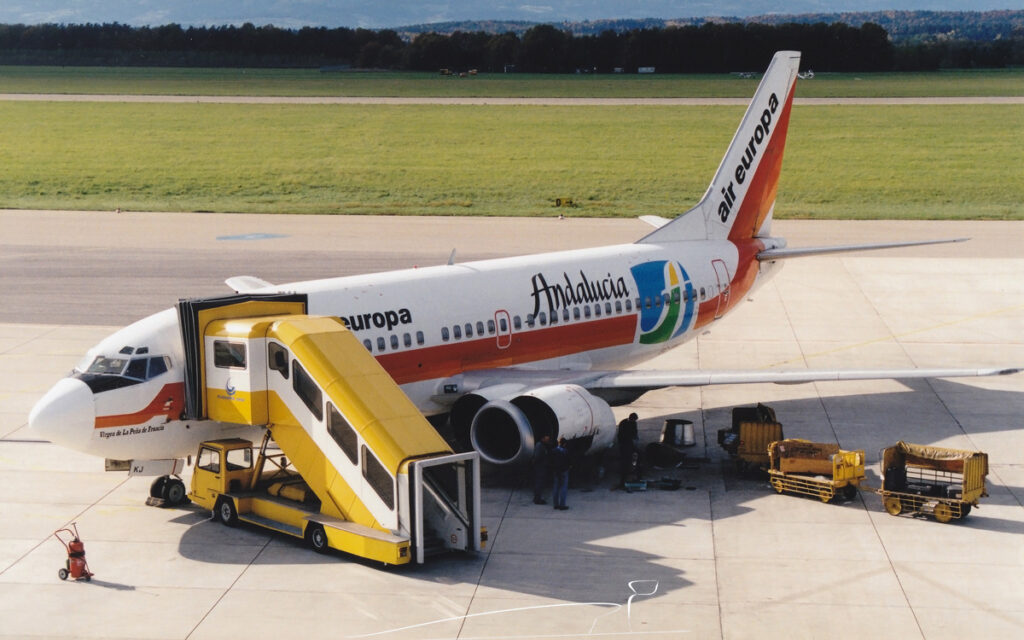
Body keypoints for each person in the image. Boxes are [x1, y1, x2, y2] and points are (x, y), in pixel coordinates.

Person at [617, 412, 639, 487]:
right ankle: (624, 477)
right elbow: (634, 434)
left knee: (626, 460)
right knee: (626, 461)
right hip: (626, 444)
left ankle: (625, 475)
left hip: (626, 443)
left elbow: (634, 433)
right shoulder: (627, 424)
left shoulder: (625, 422)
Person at [550, 437, 570, 510]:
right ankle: (562, 505)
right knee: (563, 488)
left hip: (556, 471)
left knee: (555, 487)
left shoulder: (553, 451)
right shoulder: (566, 451)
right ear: (564, 444)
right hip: (564, 471)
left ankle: (555, 504)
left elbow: (551, 461)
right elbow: (568, 461)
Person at [532, 434, 552, 504]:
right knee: (539, 483)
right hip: (540, 467)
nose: (548, 440)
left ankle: (537, 498)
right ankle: (537, 499)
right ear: (542, 438)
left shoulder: (542, 445)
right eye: (547, 439)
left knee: (540, 483)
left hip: (541, 466)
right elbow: (537, 457)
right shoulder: (539, 445)